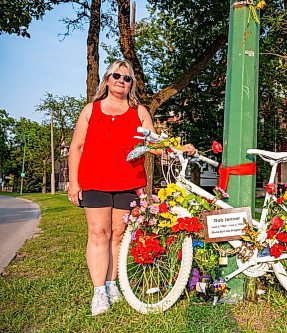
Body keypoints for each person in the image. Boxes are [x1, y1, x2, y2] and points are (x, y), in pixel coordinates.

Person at [68, 60, 194, 316]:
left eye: (127, 78)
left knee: (118, 234)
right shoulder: (91, 110)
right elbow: (76, 147)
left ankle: (112, 283)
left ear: (131, 85)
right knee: (98, 233)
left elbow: (155, 143)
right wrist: (74, 182)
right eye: (116, 75)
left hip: (128, 182)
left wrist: (179, 149)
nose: (120, 81)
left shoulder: (139, 111)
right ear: (107, 79)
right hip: (95, 181)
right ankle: (99, 292)